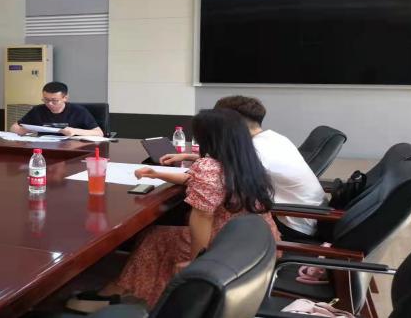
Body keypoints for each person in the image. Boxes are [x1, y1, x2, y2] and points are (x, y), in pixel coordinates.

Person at [66, 109, 280, 313]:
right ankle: (134, 291)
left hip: (225, 243)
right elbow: (204, 181)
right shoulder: (245, 160)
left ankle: (119, 293)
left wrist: (196, 261)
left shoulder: (209, 167)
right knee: (157, 236)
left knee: (155, 239)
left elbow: (202, 216)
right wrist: (156, 174)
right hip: (257, 239)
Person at [161, 95, 325, 238]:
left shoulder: (258, 149)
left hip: (292, 222)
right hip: (310, 213)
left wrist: (156, 173)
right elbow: (237, 161)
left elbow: (209, 177)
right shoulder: (273, 138)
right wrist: (188, 156)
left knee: (198, 206)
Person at [9, 82, 103, 137]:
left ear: (65, 98)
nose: (49, 103)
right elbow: (14, 127)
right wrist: (24, 130)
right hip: (44, 148)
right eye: (46, 100)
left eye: (54, 100)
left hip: (71, 149)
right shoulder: (38, 110)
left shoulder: (78, 111)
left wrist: (74, 131)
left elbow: (99, 133)